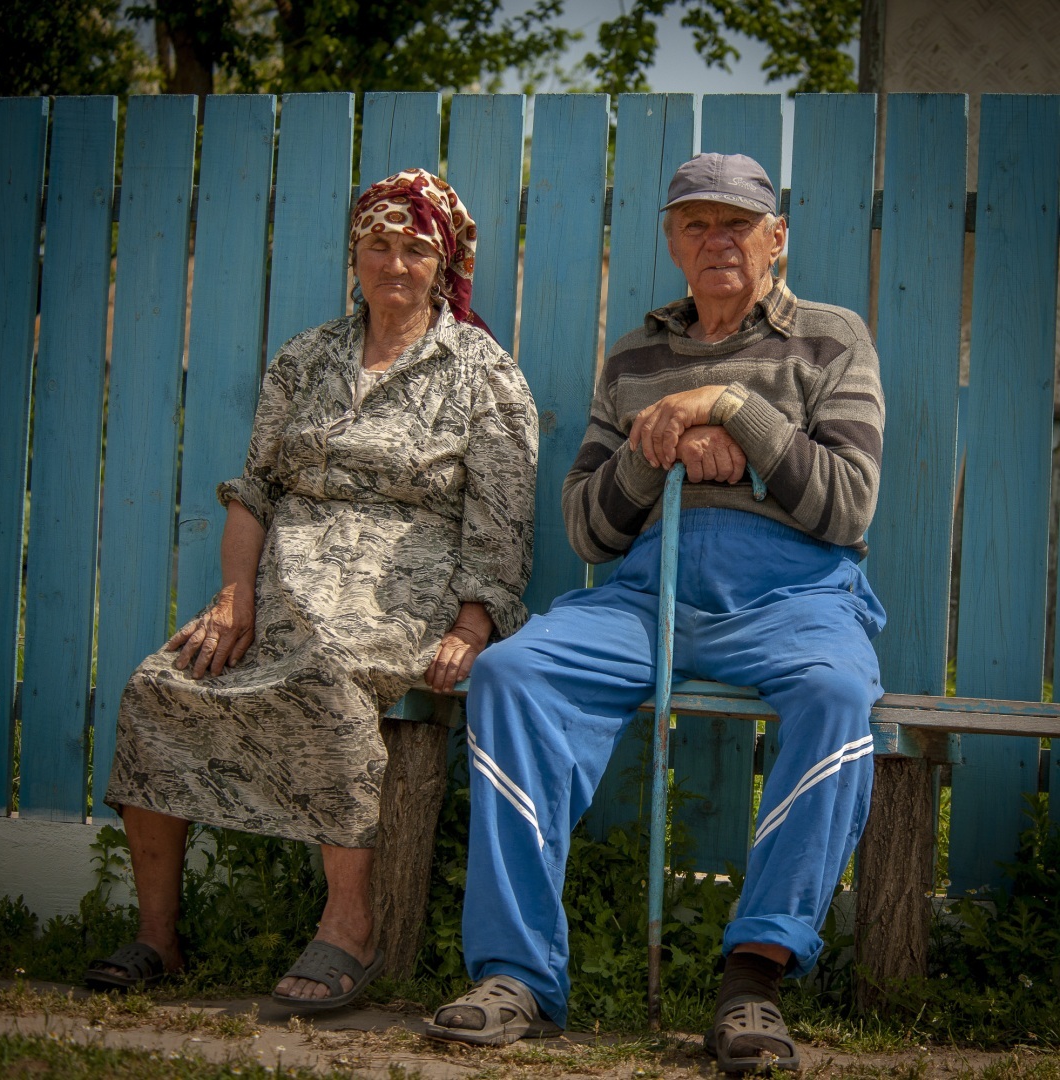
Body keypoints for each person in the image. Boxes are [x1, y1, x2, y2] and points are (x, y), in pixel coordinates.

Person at [426, 152, 885, 1073]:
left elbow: (847, 506)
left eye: (738, 223)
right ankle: (517, 973)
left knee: (837, 696)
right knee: (513, 673)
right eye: (695, 224)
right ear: (672, 241)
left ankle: (753, 978)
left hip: (791, 595)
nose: (717, 240)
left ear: (777, 239)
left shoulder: (832, 341)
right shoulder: (633, 357)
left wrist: (731, 409)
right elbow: (589, 531)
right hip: (647, 591)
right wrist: (655, 448)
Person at [85, 168, 539, 1011]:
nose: (394, 263)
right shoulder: (306, 358)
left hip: (399, 605)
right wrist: (234, 593)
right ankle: (158, 935)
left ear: (444, 265)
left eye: (414, 249)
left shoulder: (482, 372)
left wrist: (475, 621)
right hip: (286, 594)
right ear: (354, 252)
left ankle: (349, 928)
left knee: (327, 675)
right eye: (378, 243)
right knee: (159, 685)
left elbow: (504, 515)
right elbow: (256, 489)